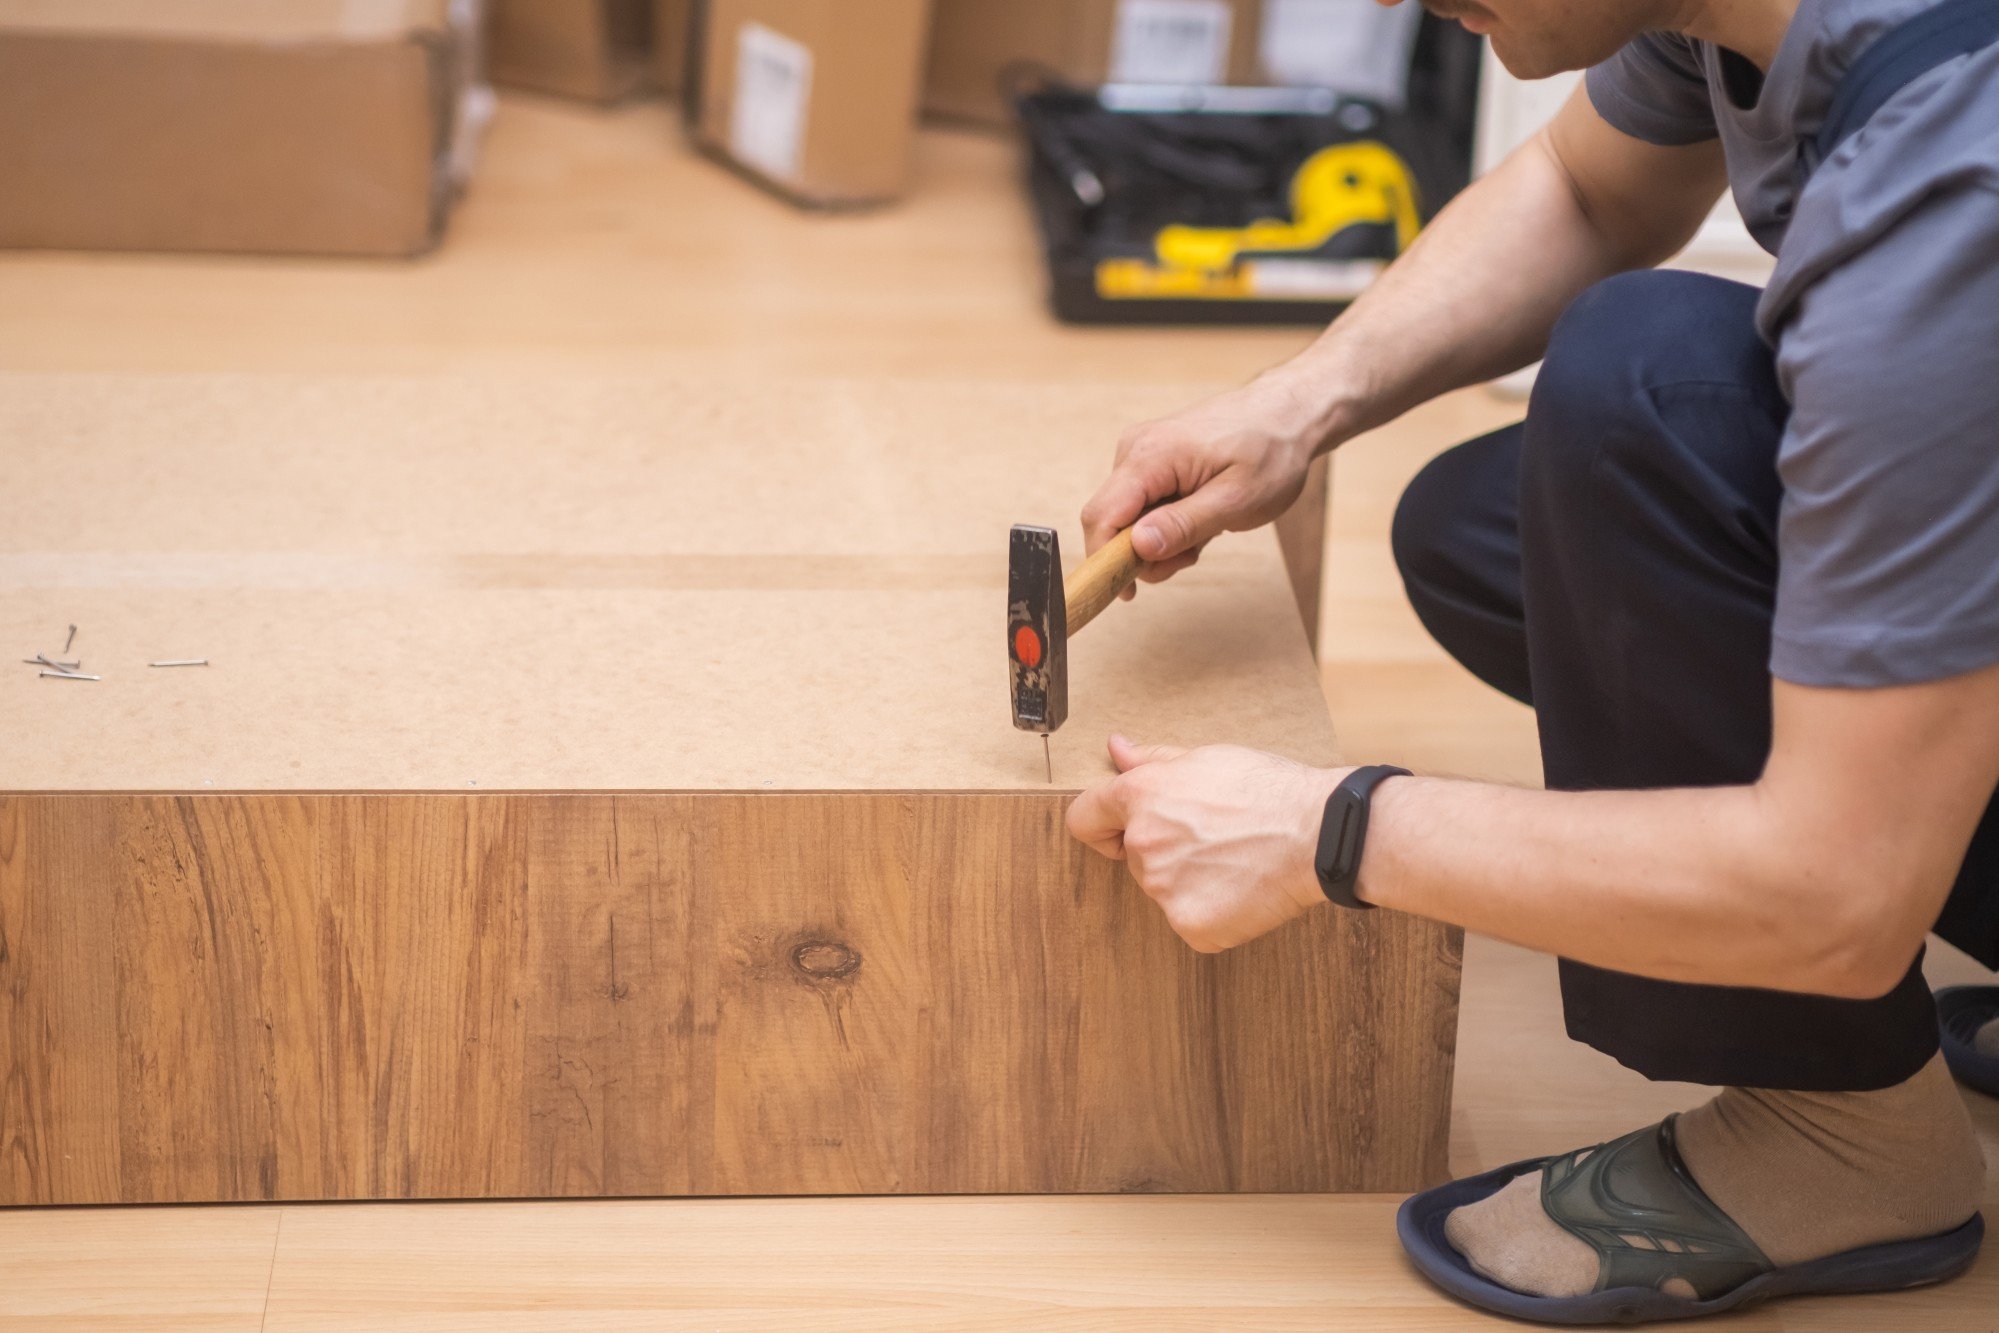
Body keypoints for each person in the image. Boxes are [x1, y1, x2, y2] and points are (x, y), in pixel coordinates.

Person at [1065, 0, 1999, 1320]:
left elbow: (1839, 890)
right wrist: (1296, 406)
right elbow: (1583, 187)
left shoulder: (1952, 194)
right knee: (1495, 524)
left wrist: (1328, 830)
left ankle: (1847, 1137)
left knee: (1645, 386)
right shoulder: (1738, 15)